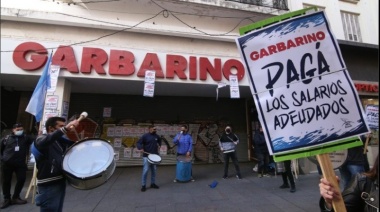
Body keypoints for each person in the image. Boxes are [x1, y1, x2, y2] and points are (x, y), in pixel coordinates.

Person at [33, 117, 79, 212]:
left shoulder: (59, 141)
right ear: (51, 128)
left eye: (64, 125)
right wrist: (65, 128)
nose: (65, 128)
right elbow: (45, 141)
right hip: (48, 185)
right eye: (61, 126)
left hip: (59, 181)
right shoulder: (41, 139)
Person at [0, 123, 34, 209]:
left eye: (21, 129)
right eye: (17, 129)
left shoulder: (26, 138)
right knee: (6, 181)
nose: (19, 131)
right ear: (13, 130)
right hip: (7, 164)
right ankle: (7, 198)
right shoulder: (6, 139)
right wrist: (3, 159)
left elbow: (37, 140)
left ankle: (16, 197)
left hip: (20, 164)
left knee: (21, 179)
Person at [136, 125, 162, 192]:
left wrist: (159, 145)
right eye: (154, 129)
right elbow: (138, 143)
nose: (155, 130)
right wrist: (140, 148)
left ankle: (152, 184)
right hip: (146, 156)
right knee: (145, 171)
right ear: (150, 129)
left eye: (156, 129)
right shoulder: (145, 136)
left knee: (154, 171)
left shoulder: (157, 136)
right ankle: (143, 185)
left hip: (154, 156)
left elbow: (160, 140)